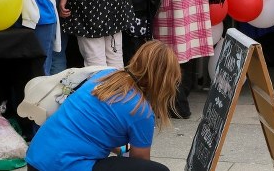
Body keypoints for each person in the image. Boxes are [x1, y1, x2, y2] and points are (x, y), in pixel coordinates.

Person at [24, 40, 180, 171]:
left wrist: (124, 150)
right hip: (63, 166)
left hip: (36, 159)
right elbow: (141, 162)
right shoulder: (141, 111)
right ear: (164, 80)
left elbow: (98, 132)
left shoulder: (104, 75)